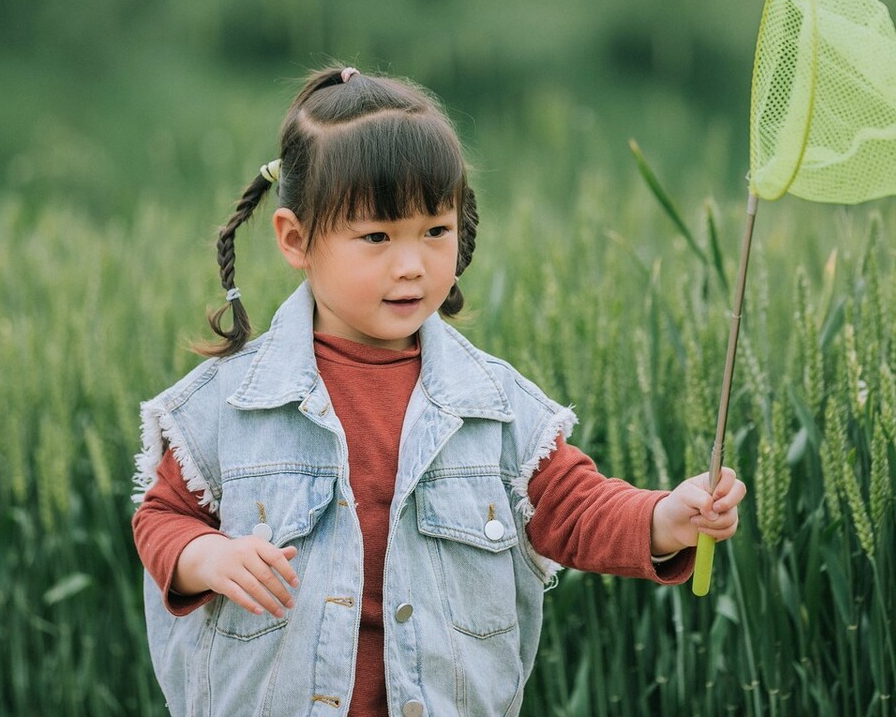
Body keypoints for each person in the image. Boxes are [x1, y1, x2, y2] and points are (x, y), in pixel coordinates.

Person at [131, 65, 746, 717]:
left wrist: (664, 520)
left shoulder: (492, 407)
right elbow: (162, 518)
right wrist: (207, 556)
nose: (411, 263)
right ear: (296, 239)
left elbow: (571, 505)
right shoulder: (230, 404)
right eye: (376, 237)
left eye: (434, 230)